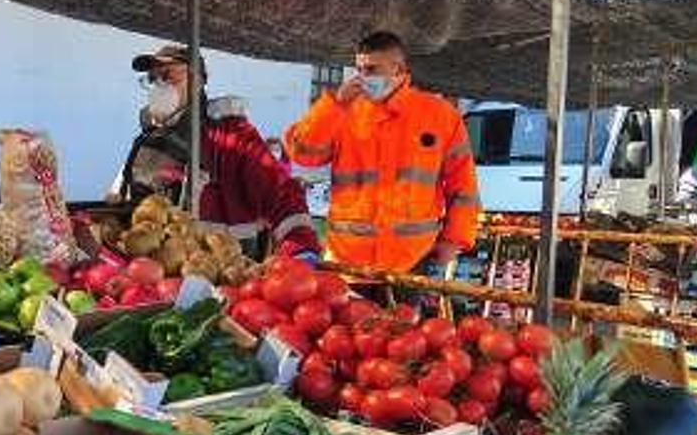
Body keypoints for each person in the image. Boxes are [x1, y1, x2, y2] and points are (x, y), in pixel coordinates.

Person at [284, 31, 480, 273]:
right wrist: (334, 105)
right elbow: (302, 153)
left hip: (413, 258)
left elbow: (463, 184)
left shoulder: (440, 115)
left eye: (371, 70)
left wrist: (454, 239)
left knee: (405, 313)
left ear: (397, 70)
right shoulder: (342, 112)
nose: (362, 77)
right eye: (359, 69)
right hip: (349, 259)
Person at [108, 45, 319, 258]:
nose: (159, 85)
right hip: (151, 273)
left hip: (220, 274)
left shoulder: (230, 136)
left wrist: (302, 248)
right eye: (153, 79)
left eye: (168, 75)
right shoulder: (148, 138)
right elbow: (125, 197)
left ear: (198, 81)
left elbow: (280, 192)